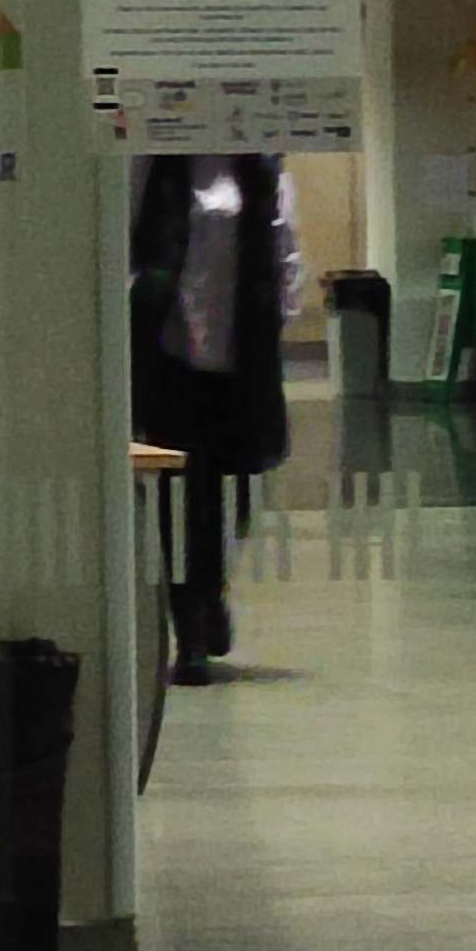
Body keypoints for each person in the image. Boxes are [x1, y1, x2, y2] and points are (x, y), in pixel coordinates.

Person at [128, 150, 301, 685]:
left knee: (236, 487)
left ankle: (213, 589)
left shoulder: (264, 171)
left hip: (240, 353)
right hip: (171, 354)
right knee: (183, 495)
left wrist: (276, 323)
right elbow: (127, 247)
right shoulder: (153, 168)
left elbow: (285, 253)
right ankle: (191, 629)